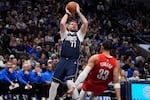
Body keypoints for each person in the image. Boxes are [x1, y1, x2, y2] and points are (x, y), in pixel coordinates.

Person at [49, 2, 88, 100]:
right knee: (54, 83)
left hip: (72, 61)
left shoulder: (79, 35)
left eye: (75, 24)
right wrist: (67, 13)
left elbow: (86, 23)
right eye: (71, 24)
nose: (74, 25)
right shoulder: (64, 34)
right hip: (62, 60)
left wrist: (78, 12)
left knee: (70, 82)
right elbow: (62, 23)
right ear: (68, 27)